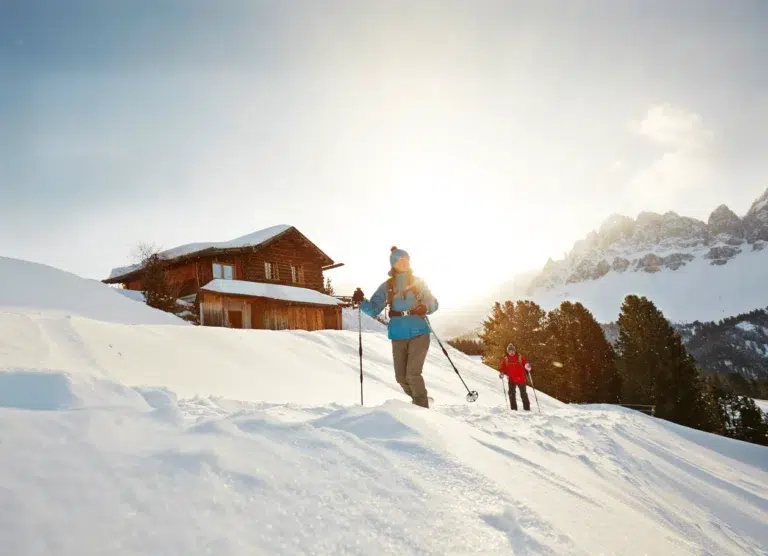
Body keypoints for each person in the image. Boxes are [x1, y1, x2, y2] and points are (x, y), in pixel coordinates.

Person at [352, 246, 439, 408]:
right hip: (398, 334)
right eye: (400, 260)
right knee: (401, 377)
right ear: (393, 263)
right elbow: (374, 309)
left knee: (412, 374)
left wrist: (426, 307)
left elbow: (433, 302)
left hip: (419, 332)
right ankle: (421, 400)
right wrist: (361, 301)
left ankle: (422, 409)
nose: (405, 263)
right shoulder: (387, 286)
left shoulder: (418, 283)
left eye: (407, 260)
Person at [499, 344, 532, 411]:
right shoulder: (506, 359)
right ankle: (514, 409)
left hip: (521, 378)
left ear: (515, 351)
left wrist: (527, 366)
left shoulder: (520, 357)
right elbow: (502, 368)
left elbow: (525, 363)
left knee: (523, 394)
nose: (511, 352)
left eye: (512, 351)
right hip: (511, 379)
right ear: (508, 352)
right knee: (511, 394)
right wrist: (501, 373)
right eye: (510, 351)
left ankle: (527, 409)